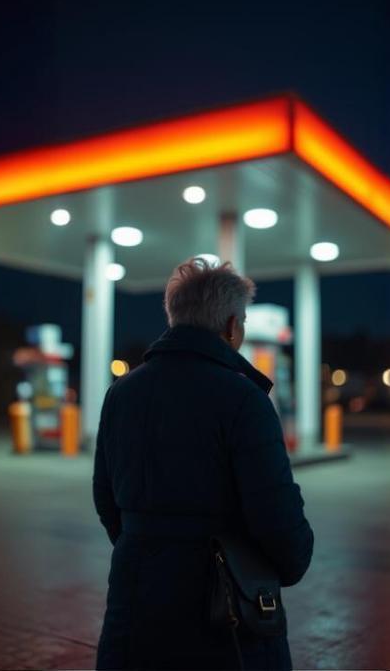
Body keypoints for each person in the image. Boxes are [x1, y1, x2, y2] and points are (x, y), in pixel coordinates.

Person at [93, 258, 315, 669]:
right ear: (232, 325)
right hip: (222, 617)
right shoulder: (245, 400)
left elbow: (106, 500)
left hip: (134, 603)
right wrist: (294, 558)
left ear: (174, 316)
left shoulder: (120, 394)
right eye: (243, 321)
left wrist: (147, 547)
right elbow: (276, 516)